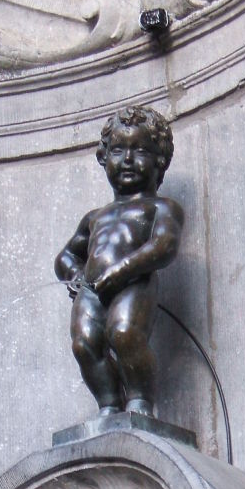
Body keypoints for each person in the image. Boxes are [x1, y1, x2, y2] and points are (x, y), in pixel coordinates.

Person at [54, 105, 184, 416]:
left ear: (160, 160)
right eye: (118, 150)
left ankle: (140, 402)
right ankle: (109, 406)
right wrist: (74, 273)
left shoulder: (161, 207)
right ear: (104, 158)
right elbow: (67, 255)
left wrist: (123, 271)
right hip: (92, 288)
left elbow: (164, 246)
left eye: (139, 150)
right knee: (84, 343)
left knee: (125, 334)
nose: (127, 160)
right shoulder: (95, 217)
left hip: (135, 283)